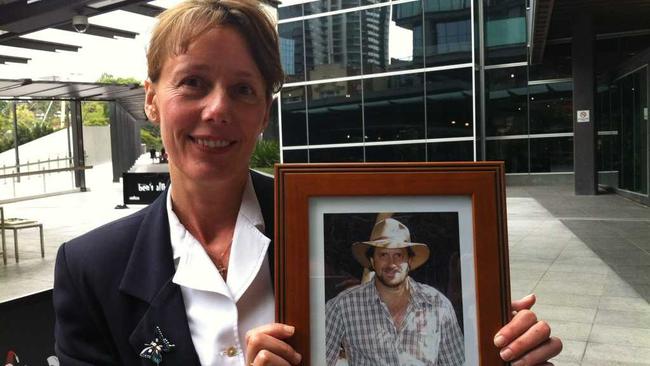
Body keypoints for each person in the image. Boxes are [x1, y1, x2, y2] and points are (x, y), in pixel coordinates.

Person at [52, 1, 561, 365]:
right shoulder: (91, 268)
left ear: (264, 112)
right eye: (193, 82)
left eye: (243, 89)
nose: (218, 109)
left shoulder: (326, 225)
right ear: (151, 98)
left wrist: (502, 349)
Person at [326, 217, 464, 365]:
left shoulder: (438, 305)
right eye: (383, 255)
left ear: (409, 261)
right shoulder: (342, 306)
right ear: (372, 261)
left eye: (398, 255)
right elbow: (318, 359)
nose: (391, 264)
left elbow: (456, 363)